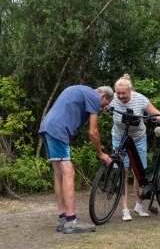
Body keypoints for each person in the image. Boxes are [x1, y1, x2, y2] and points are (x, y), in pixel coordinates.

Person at [39, 85, 114, 234]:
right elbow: (93, 132)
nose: (102, 108)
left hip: (47, 127)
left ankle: (63, 218)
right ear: (103, 95)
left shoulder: (80, 89)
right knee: (69, 173)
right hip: (59, 130)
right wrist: (100, 153)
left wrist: (99, 107)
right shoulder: (94, 97)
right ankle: (71, 221)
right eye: (105, 104)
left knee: (59, 174)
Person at [111, 74, 160, 221]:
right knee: (123, 171)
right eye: (118, 93)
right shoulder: (113, 98)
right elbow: (101, 102)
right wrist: (103, 107)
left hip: (138, 139)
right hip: (119, 137)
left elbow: (154, 112)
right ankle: (125, 209)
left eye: (123, 93)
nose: (120, 96)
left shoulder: (140, 99)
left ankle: (139, 206)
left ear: (130, 91)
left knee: (138, 173)